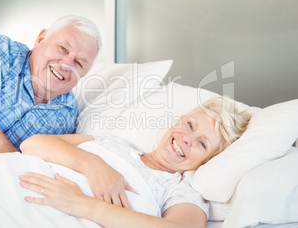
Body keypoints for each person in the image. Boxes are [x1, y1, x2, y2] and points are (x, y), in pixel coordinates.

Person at [18, 96, 251, 228]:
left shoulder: (181, 192)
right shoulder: (115, 143)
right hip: (13, 183)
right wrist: (93, 165)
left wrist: (82, 204)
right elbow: (31, 144)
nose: (186, 139)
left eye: (202, 144)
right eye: (190, 125)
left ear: (209, 160)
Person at [0, 15, 101, 158]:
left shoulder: (67, 114)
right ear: (40, 39)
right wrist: (14, 163)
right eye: (63, 48)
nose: (66, 65)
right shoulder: (2, 51)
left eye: (78, 63)